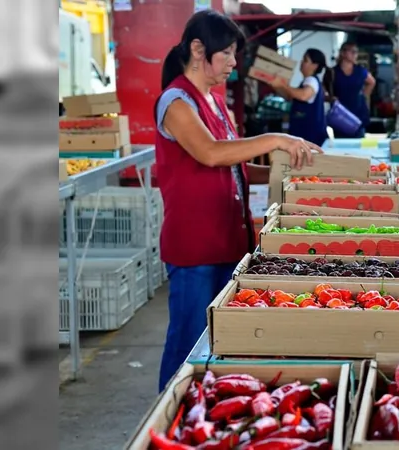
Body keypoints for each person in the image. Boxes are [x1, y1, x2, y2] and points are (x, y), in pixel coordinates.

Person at [154, 10, 322, 391]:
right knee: (186, 348)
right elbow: (211, 153)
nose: (233, 62)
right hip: (195, 247)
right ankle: (166, 423)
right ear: (198, 50)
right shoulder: (176, 101)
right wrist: (277, 139)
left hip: (229, 238)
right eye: (227, 53)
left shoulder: (214, 102)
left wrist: (293, 179)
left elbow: (236, 168)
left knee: (221, 346)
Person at [265, 48, 329, 146]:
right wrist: (276, 86)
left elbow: (303, 95)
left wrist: (283, 85)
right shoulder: (306, 81)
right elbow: (290, 96)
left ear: (315, 66)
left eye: (305, 60)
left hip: (310, 136)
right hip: (303, 135)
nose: (302, 62)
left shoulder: (312, 81)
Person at [323, 42, 376, 138]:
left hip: (358, 115)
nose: (354, 54)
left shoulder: (360, 70)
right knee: (341, 149)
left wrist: (364, 96)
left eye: (356, 52)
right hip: (340, 116)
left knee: (359, 146)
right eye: (351, 51)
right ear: (343, 53)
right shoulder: (332, 72)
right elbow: (323, 92)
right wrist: (331, 99)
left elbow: (371, 82)